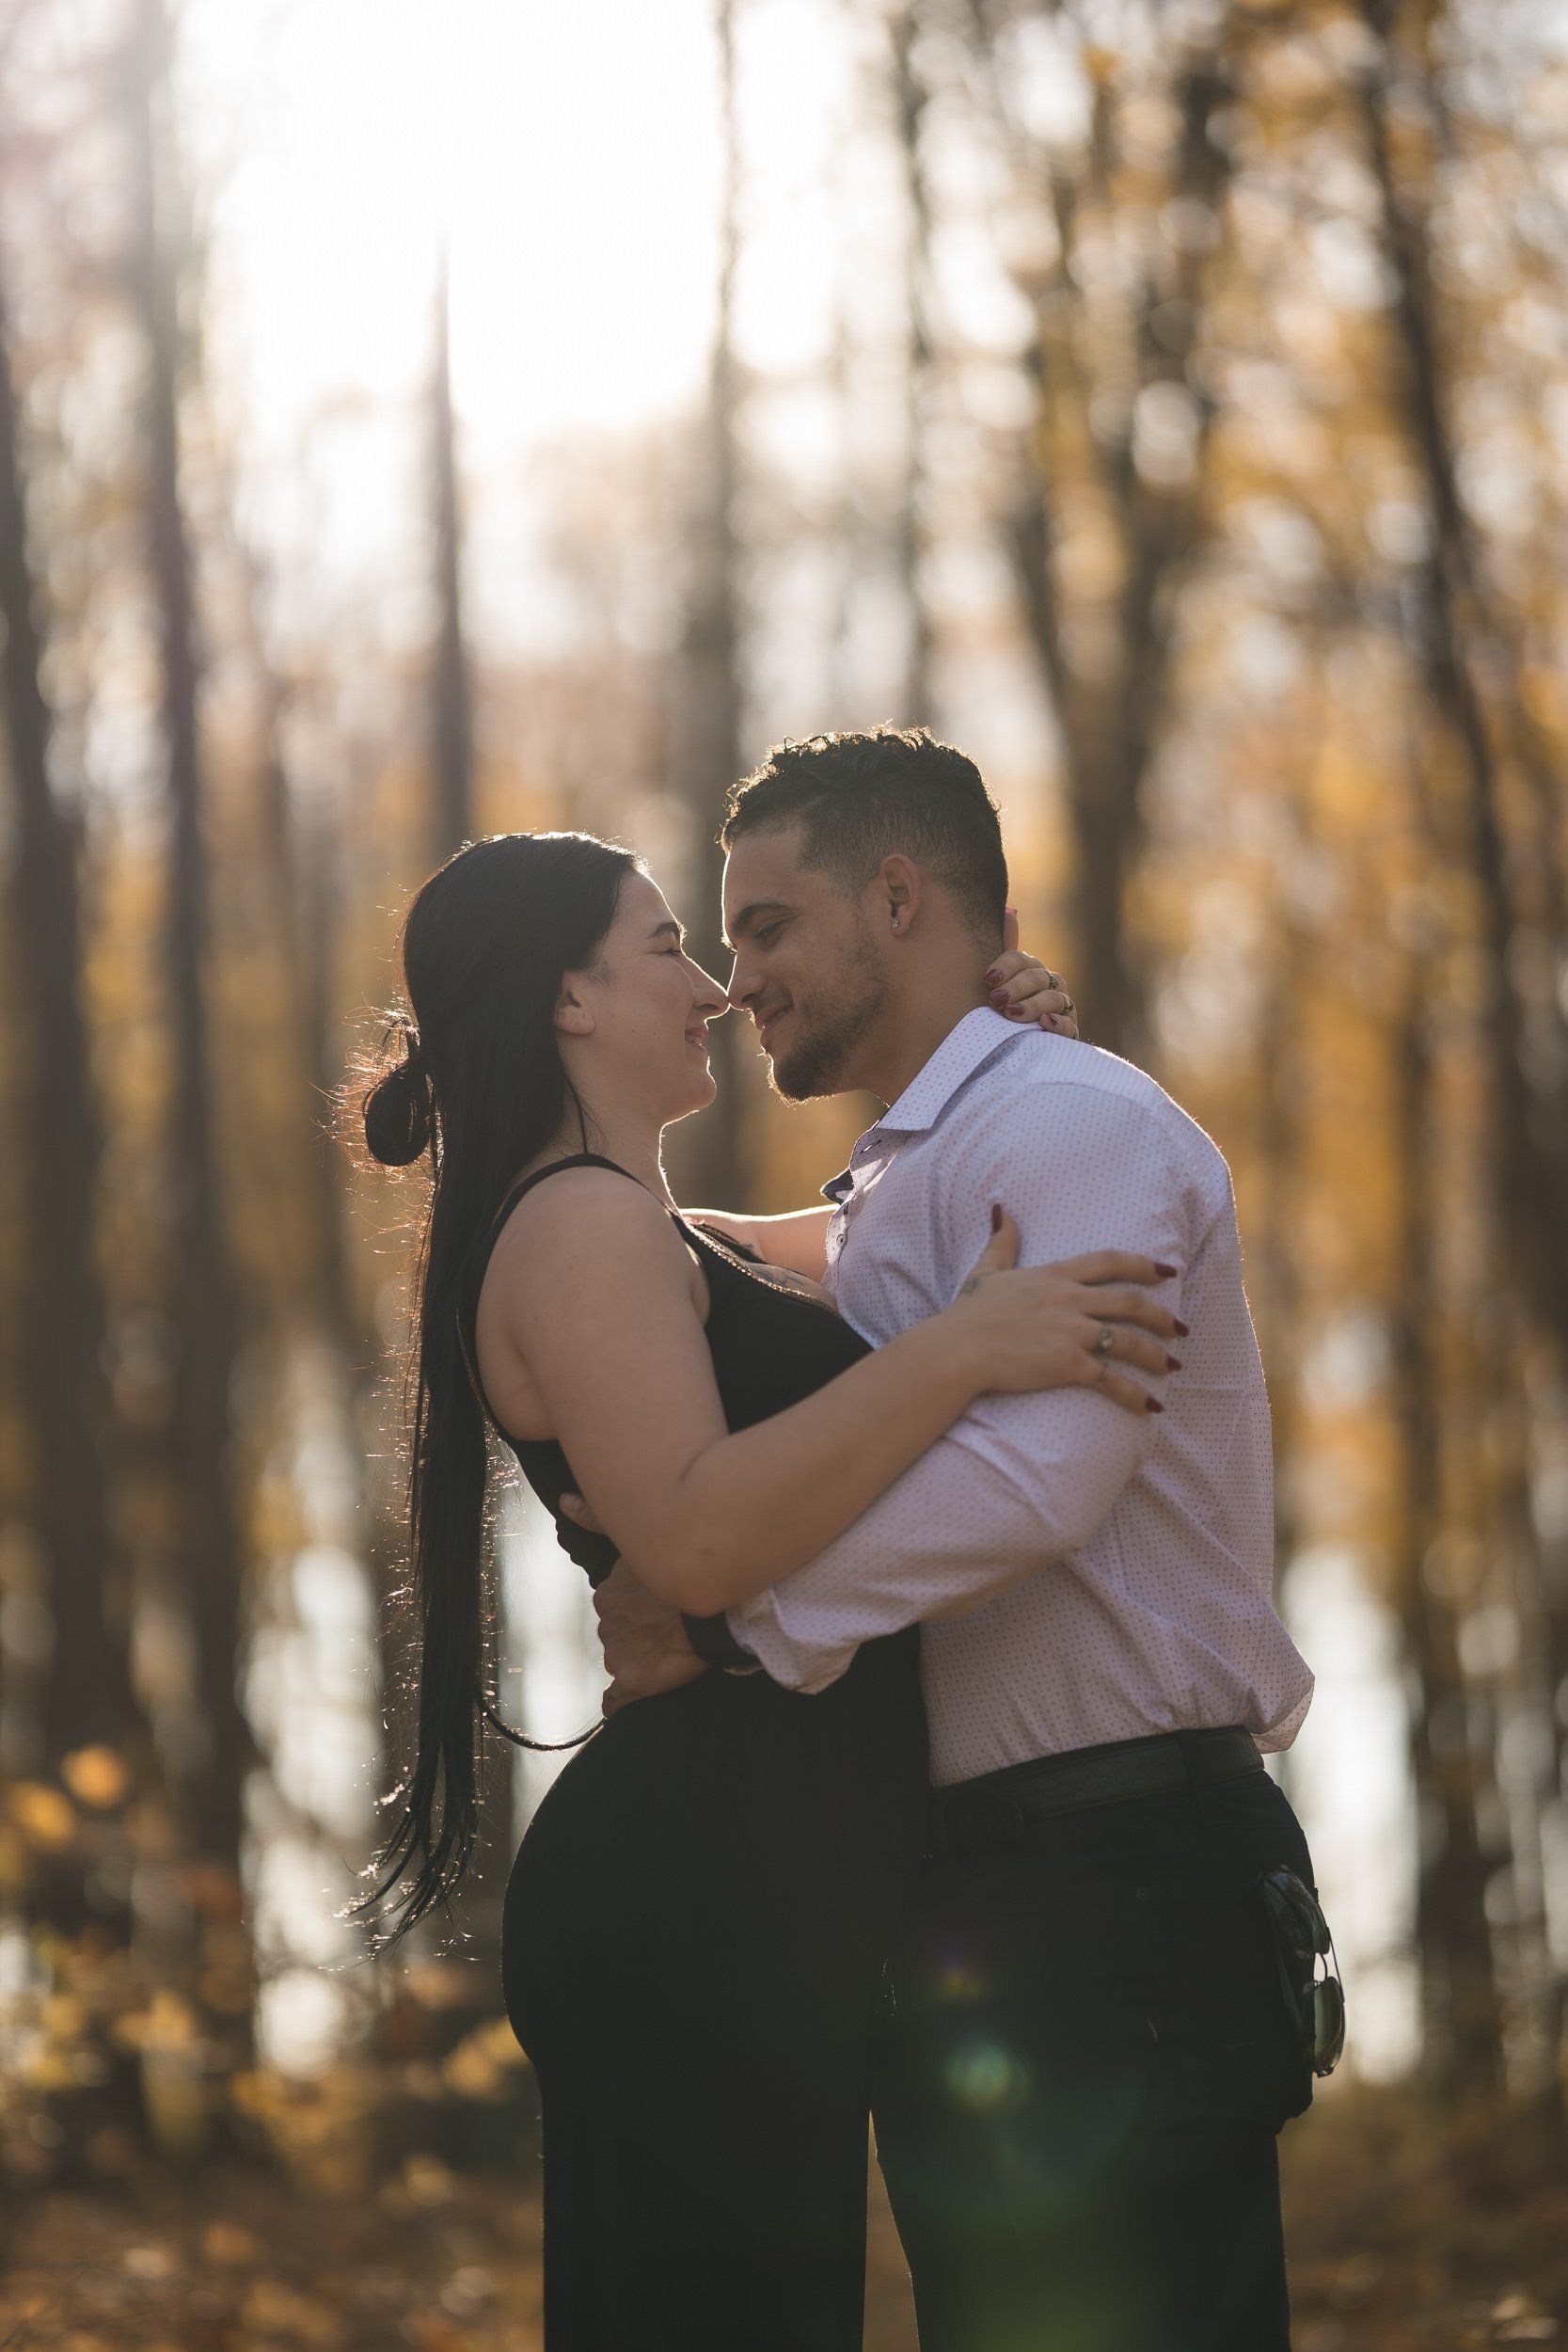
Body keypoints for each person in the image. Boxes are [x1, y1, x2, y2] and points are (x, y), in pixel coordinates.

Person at [348, 824, 1181, 2351]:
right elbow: (698, 1543)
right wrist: (965, 1350)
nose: (716, 990)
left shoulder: (647, 1230)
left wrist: (993, 1048)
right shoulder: (580, 1226)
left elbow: (896, 1239)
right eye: (669, 947)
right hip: (696, 1898)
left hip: (756, 1899)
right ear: (569, 1000)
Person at [581, 726, 1322, 2352]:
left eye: (767, 926)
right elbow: (746, 1266)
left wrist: (734, 1623)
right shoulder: (917, 1172)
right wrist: (555, 1193)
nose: (738, 981)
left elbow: (1043, 1480)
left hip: (1128, 1876)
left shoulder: (1073, 1126)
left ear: (899, 898)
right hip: (984, 1903)